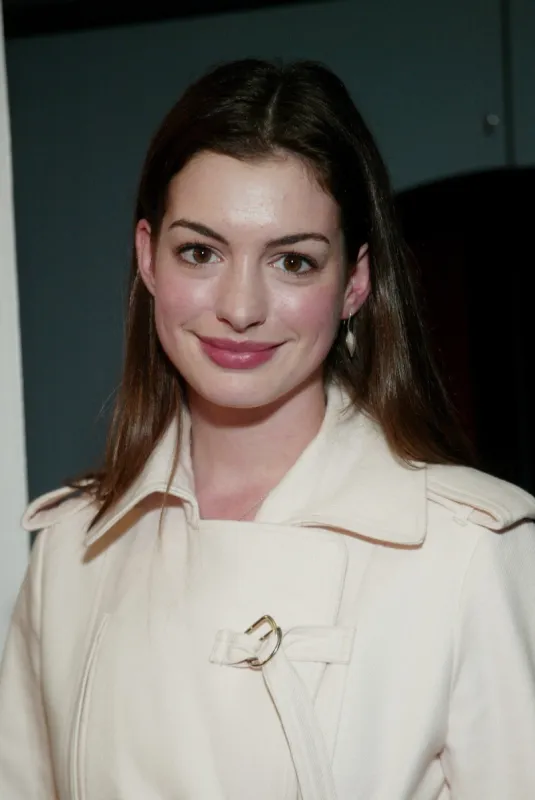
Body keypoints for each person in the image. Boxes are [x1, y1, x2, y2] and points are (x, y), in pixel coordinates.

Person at [1, 58, 534, 800]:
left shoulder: (470, 553)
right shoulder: (70, 554)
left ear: (353, 282)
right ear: (146, 257)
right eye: (200, 252)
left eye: (291, 260)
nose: (241, 306)